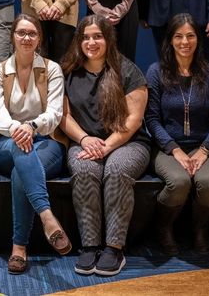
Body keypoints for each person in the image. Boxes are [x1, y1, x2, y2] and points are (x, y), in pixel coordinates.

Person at [59, 15, 150, 276]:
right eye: (86, 37)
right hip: (84, 141)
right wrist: (86, 140)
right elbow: (64, 117)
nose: (91, 42)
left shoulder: (128, 70)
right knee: (84, 169)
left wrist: (107, 147)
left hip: (127, 143)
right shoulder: (69, 71)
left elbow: (133, 120)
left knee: (117, 169)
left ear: (108, 39)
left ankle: (114, 248)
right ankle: (89, 246)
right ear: (79, 41)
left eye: (97, 36)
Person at [0, 14, 72, 275]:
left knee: (20, 171)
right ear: (13, 36)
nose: (26, 38)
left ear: (39, 38)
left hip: (47, 142)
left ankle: (19, 248)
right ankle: (47, 217)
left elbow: (55, 113)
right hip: (7, 143)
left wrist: (31, 126)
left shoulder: (52, 69)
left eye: (32, 33)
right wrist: (18, 129)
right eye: (21, 33)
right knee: (20, 149)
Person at [144, 13, 209, 255]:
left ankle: (200, 228)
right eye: (178, 36)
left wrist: (204, 150)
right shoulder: (156, 72)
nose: (185, 42)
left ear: (198, 40)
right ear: (169, 40)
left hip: (204, 146)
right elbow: (151, 119)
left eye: (190, 36)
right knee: (179, 182)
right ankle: (164, 227)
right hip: (167, 146)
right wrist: (175, 149)